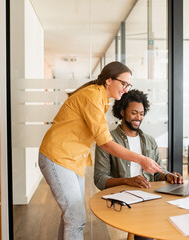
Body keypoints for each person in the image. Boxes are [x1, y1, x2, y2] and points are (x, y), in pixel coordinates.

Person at [38, 61, 163, 240]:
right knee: (75, 217)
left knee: (71, 217)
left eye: (129, 85)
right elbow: (105, 143)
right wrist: (141, 159)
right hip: (58, 157)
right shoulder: (92, 97)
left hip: (72, 161)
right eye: (124, 84)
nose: (126, 90)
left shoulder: (100, 99)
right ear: (109, 81)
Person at [94, 89, 183, 191]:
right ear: (122, 112)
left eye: (141, 114)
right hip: (121, 197)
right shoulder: (107, 141)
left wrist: (168, 176)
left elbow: (158, 173)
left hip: (149, 194)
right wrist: (127, 181)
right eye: (134, 113)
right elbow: (99, 179)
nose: (138, 117)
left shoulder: (150, 141)